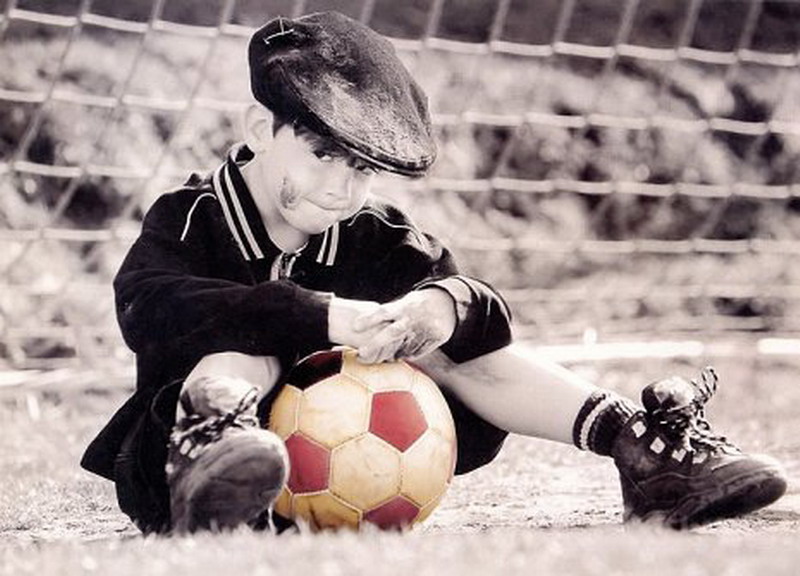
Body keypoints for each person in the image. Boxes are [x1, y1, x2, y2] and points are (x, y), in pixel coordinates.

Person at [81, 11, 787, 534]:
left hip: (341, 475)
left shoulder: (374, 235)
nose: (340, 187)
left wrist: (441, 308)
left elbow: (482, 313)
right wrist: (319, 315)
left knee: (439, 341)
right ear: (261, 130)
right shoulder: (191, 217)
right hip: (170, 471)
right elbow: (147, 306)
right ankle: (218, 459)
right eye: (321, 154)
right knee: (257, 336)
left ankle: (643, 451)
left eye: (362, 169)